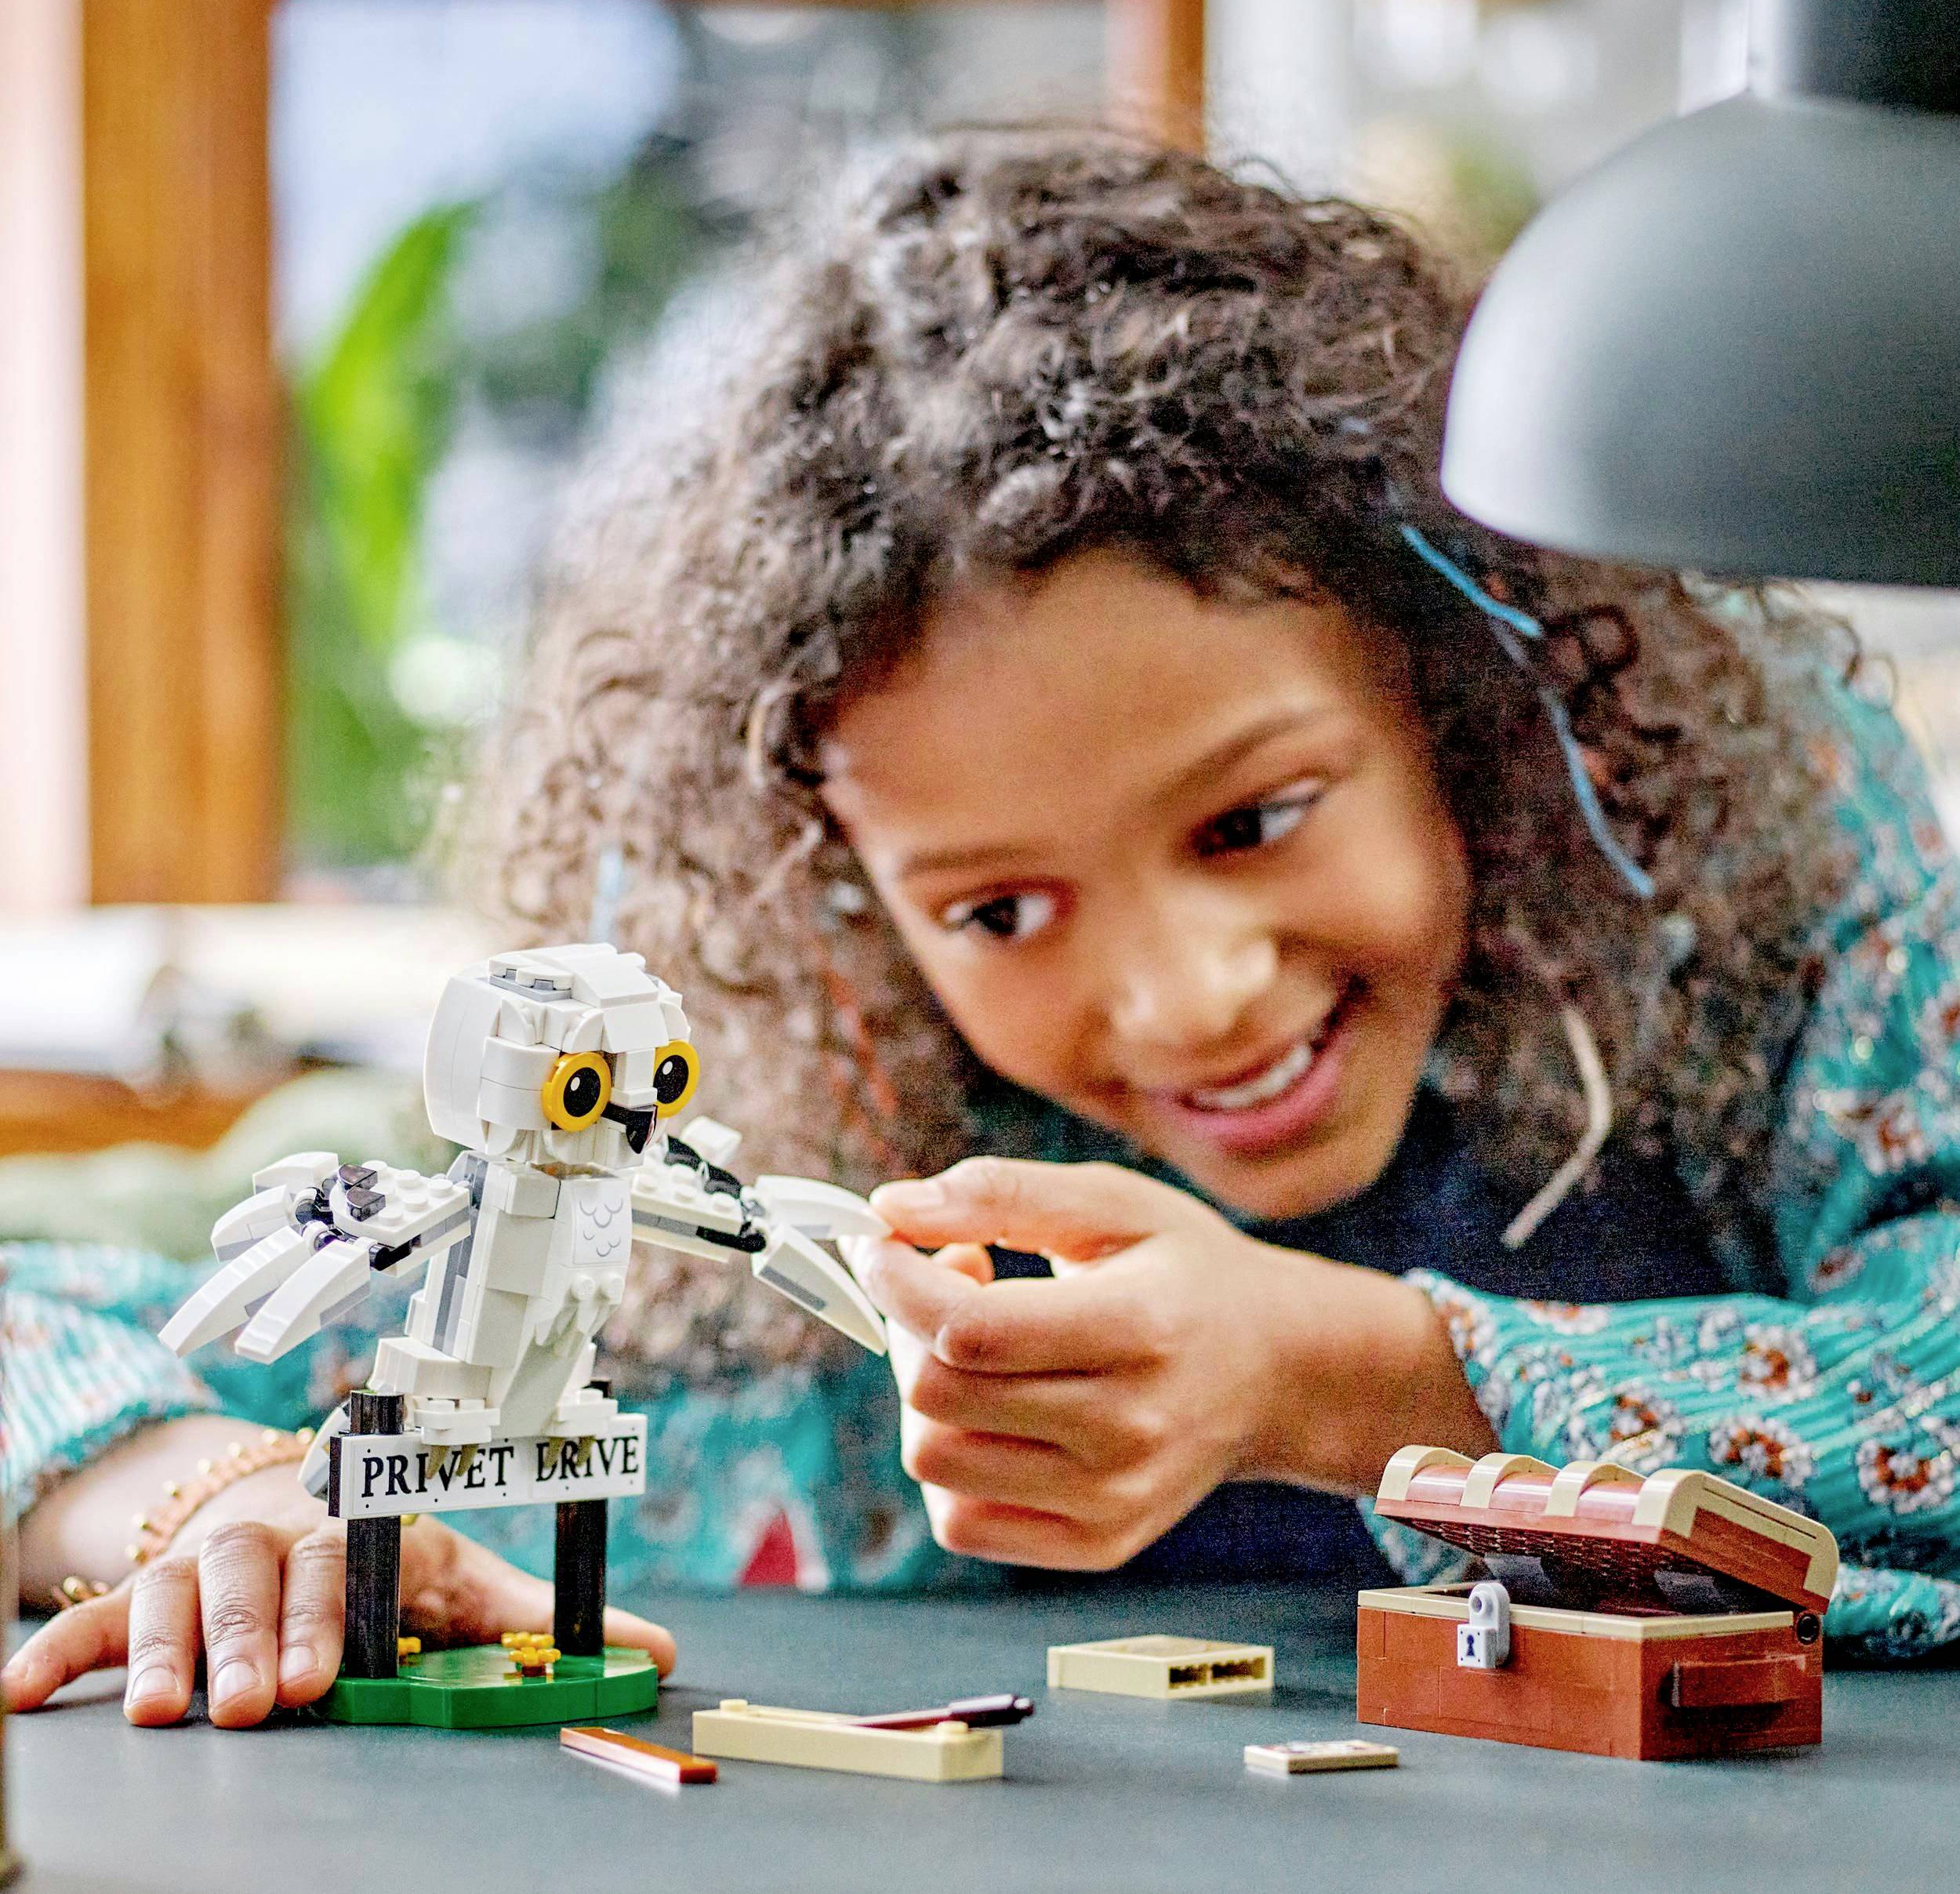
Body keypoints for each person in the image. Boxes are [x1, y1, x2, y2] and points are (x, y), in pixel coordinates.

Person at [8, 130, 1959, 1731]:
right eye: (998, 907)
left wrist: (1346, 1378)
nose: (1187, 993)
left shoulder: (1756, 912)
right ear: (841, 909)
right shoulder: (768, 1214)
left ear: (1465, 704)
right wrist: (208, 1486)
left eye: (1254, 816)